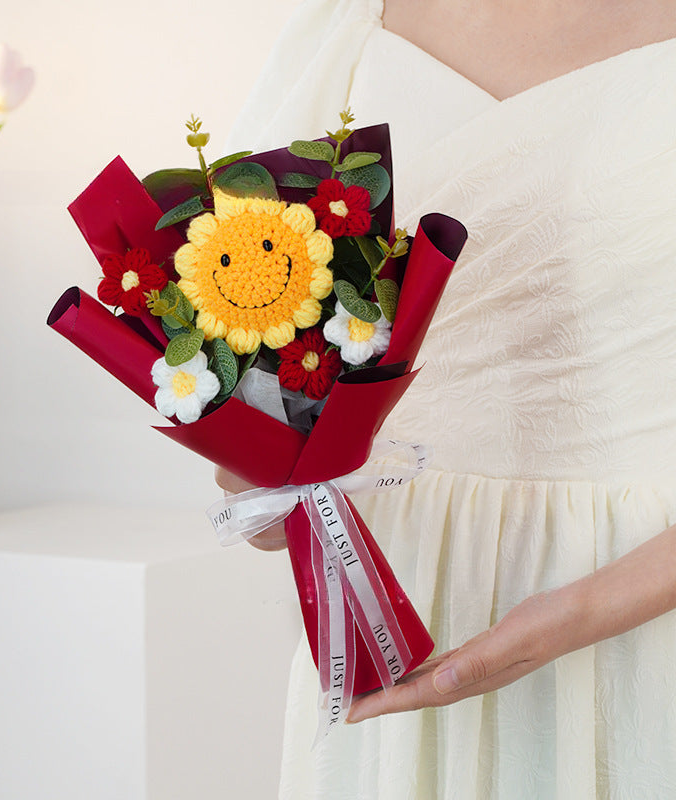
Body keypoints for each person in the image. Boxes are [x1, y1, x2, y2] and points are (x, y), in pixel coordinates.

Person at [217, 1, 676, 797]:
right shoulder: (339, 24)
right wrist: (265, 468)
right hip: (392, 614)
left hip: (637, 616)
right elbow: (264, 404)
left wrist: (584, 610)